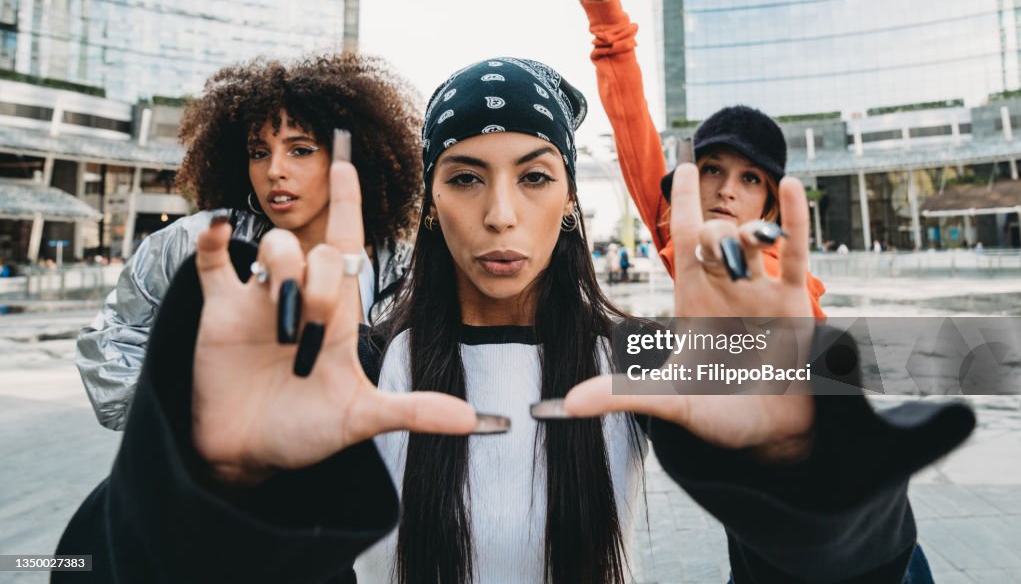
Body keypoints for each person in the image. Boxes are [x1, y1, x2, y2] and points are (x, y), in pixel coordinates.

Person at [56, 57, 974, 583]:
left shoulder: (646, 357)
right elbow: (82, 565)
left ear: (571, 197)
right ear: (430, 201)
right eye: (464, 176)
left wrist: (808, 487)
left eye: (534, 175)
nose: (500, 215)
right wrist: (206, 490)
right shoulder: (356, 369)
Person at [74, 52, 423, 431]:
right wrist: (194, 425)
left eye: (300, 150)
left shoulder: (406, 271)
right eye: (259, 153)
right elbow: (109, 347)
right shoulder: (199, 243)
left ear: (354, 160)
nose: (274, 170)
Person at [569, 0, 827, 318]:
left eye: (750, 178)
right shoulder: (676, 228)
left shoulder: (778, 283)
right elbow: (632, 123)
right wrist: (610, 26)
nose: (726, 190)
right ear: (688, 184)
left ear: (770, 204)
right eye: (713, 170)